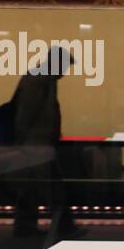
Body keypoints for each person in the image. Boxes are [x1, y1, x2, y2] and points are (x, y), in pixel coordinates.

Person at [11, 47, 83, 238]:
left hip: (37, 145)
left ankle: (25, 228)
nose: (65, 72)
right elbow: (26, 114)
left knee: (32, 188)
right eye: (65, 66)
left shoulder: (43, 79)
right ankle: (64, 227)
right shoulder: (39, 80)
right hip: (37, 146)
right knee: (52, 187)